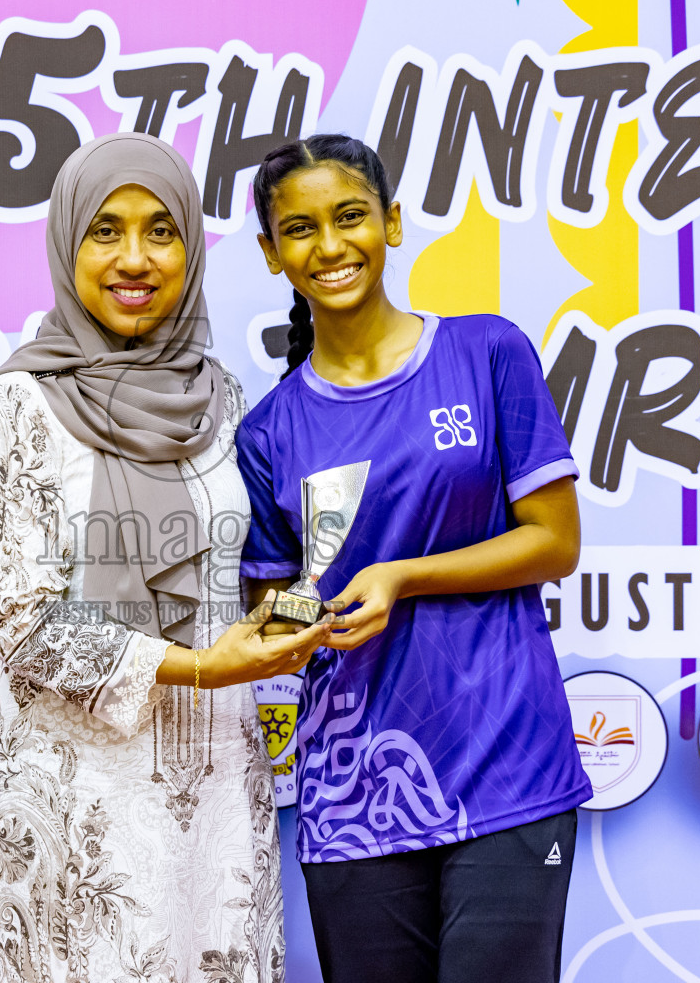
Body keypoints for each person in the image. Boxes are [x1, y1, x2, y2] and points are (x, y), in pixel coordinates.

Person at [0, 132, 332, 983]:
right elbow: (26, 626)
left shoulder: (224, 400)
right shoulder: (17, 406)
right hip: (78, 810)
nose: (136, 258)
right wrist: (197, 667)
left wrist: (284, 616)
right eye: (106, 231)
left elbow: (240, 575)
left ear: (193, 246)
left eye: (162, 231)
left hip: (218, 807)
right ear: (67, 243)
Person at [236, 133, 590, 983]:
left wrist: (403, 576)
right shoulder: (269, 431)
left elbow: (556, 541)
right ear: (271, 253)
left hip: (508, 761)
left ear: (392, 224)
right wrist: (291, 623)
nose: (329, 246)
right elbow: (278, 603)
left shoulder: (486, 353)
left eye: (351, 216)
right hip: (351, 791)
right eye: (300, 229)